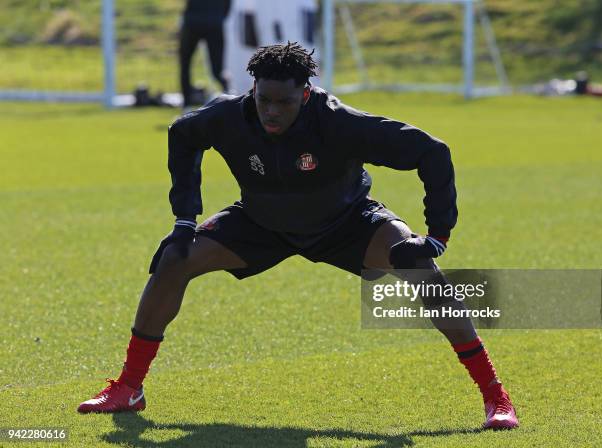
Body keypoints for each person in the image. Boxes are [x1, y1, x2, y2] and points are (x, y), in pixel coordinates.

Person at [77, 42, 519, 430]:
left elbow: (432, 152)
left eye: (283, 102)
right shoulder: (230, 115)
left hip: (346, 222)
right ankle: (129, 389)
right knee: (174, 259)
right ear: (252, 88)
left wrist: (437, 234)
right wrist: (184, 220)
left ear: (305, 95)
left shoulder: (340, 123)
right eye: (263, 99)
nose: (270, 111)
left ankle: (495, 396)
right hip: (261, 223)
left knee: (419, 266)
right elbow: (183, 133)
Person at [179, 0, 231, 107]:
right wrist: (219, 16)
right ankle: (231, 96)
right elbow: (227, 5)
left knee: (185, 64)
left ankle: (186, 105)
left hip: (193, 21)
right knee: (217, 69)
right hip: (213, 21)